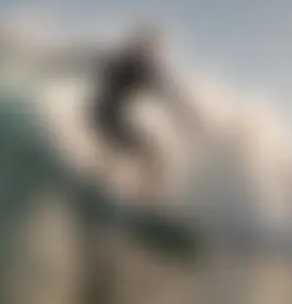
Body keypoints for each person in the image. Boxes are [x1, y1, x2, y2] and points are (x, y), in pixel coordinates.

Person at [44, 25, 196, 201]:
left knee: (146, 155)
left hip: (110, 116)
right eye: (145, 48)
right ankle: (137, 196)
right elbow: (85, 58)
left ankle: (130, 192)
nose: (149, 54)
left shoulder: (147, 72)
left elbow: (170, 96)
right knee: (146, 153)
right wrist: (55, 62)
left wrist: (187, 118)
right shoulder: (121, 61)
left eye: (151, 50)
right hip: (103, 114)